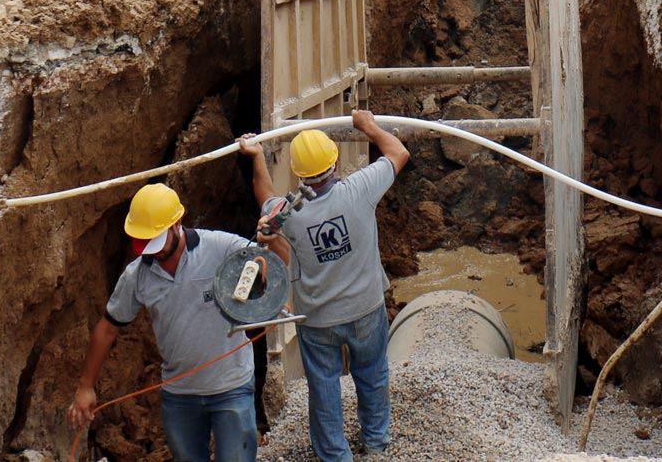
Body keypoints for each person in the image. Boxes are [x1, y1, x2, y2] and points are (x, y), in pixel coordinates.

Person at [68, 182, 285, 462]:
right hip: (180, 395)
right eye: (145, 243)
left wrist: (273, 240)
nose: (152, 251)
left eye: (155, 241)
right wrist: (86, 386)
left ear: (177, 224)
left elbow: (278, 266)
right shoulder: (137, 275)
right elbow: (108, 328)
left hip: (231, 387)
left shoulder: (221, 247)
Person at [238, 112, 409, 462]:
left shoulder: (287, 212)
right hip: (365, 308)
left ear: (299, 172)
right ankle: (376, 443)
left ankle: (335, 455)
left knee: (325, 387)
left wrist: (256, 156)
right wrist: (369, 127)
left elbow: (264, 195)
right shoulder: (360, 189)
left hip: (317, 319)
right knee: (373, 375)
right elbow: (398, 153)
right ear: (334, 164)